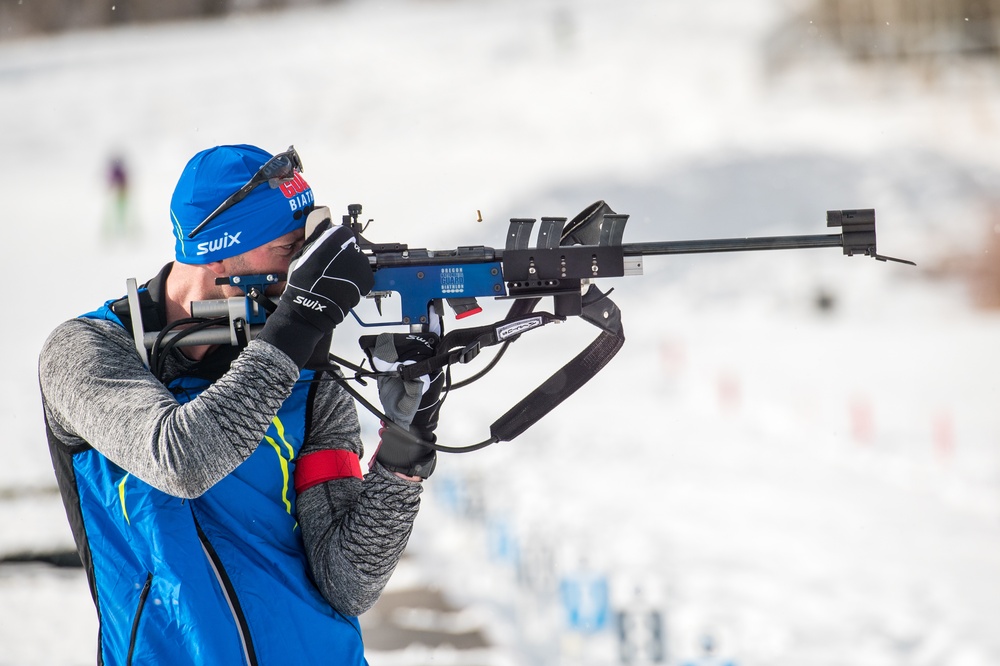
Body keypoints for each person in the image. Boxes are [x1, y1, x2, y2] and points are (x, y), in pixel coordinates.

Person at [38, 144, 442, 665]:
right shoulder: (86, 351)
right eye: (288, 249)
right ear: (221, 247)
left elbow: (347, 582)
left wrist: (404, 452)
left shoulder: (307, 372)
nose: (301, 270)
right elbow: (181, 459)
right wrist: (296, 325)